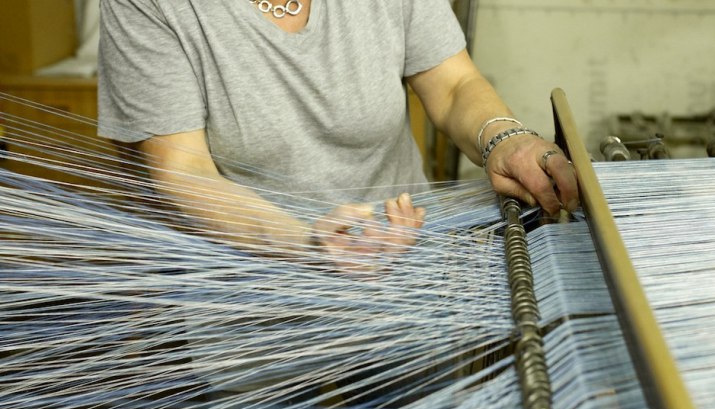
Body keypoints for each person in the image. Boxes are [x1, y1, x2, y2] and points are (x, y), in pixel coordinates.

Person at [98, 0, 579, 260]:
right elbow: (185, 171)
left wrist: (505, 139)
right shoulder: (149, 5)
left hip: (408, 274)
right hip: (252, 307)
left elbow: (453, 85)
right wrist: (307, 244)